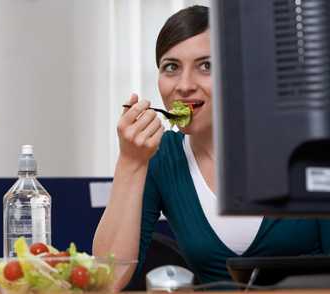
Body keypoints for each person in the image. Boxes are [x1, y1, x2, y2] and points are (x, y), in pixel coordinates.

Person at [92, 5, 330, 291]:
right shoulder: (160, 157)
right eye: (171, 67)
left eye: (206, 66)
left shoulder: (307, 147)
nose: (184, 85)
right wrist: (131, 162)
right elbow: (107, 280)